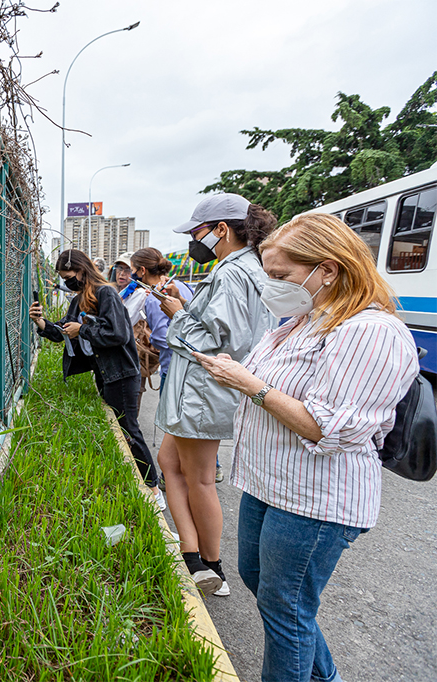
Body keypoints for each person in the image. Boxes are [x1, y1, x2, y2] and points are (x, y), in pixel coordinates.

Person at [193, 212, 417, 682]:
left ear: (328, 270)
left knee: (286, 610)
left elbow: (327, 427)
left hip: (313, 498)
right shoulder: (300, 320)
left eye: (281, 276)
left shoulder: (368, 331)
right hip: (270, 485)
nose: (271, 285)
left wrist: (249, 384)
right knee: (261, 584)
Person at [155, 193, 277, 597]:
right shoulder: (250, 268)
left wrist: (179, 317)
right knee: (170, 462)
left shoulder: (231, 273)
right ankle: (193, 555)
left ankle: (209, 568)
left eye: (197, 232)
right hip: (208, 391)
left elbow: (227, 339)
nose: (194, 240)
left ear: (221, 229)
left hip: (205, 390)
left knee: (201, 480)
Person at [29, 249, 164, 510]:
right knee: (123, 430)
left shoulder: (106, 293)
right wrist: (42, 322)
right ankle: (143, 483)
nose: (67, 282)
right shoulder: (79, 298)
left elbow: (119, 334)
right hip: (106, 374)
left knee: (130, 431)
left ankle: (153, 489)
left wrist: (84, 329)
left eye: (68, 276)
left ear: (81, 271)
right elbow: (63, 331)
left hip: (122, 373)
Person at [129, 247, 194, 386]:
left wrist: (148, 338)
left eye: (133, 270)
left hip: (172, 367)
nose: (132, 274)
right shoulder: (183, 286)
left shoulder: (154, 297)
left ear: (142, 270)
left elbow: (160, 337)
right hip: (193, 365)